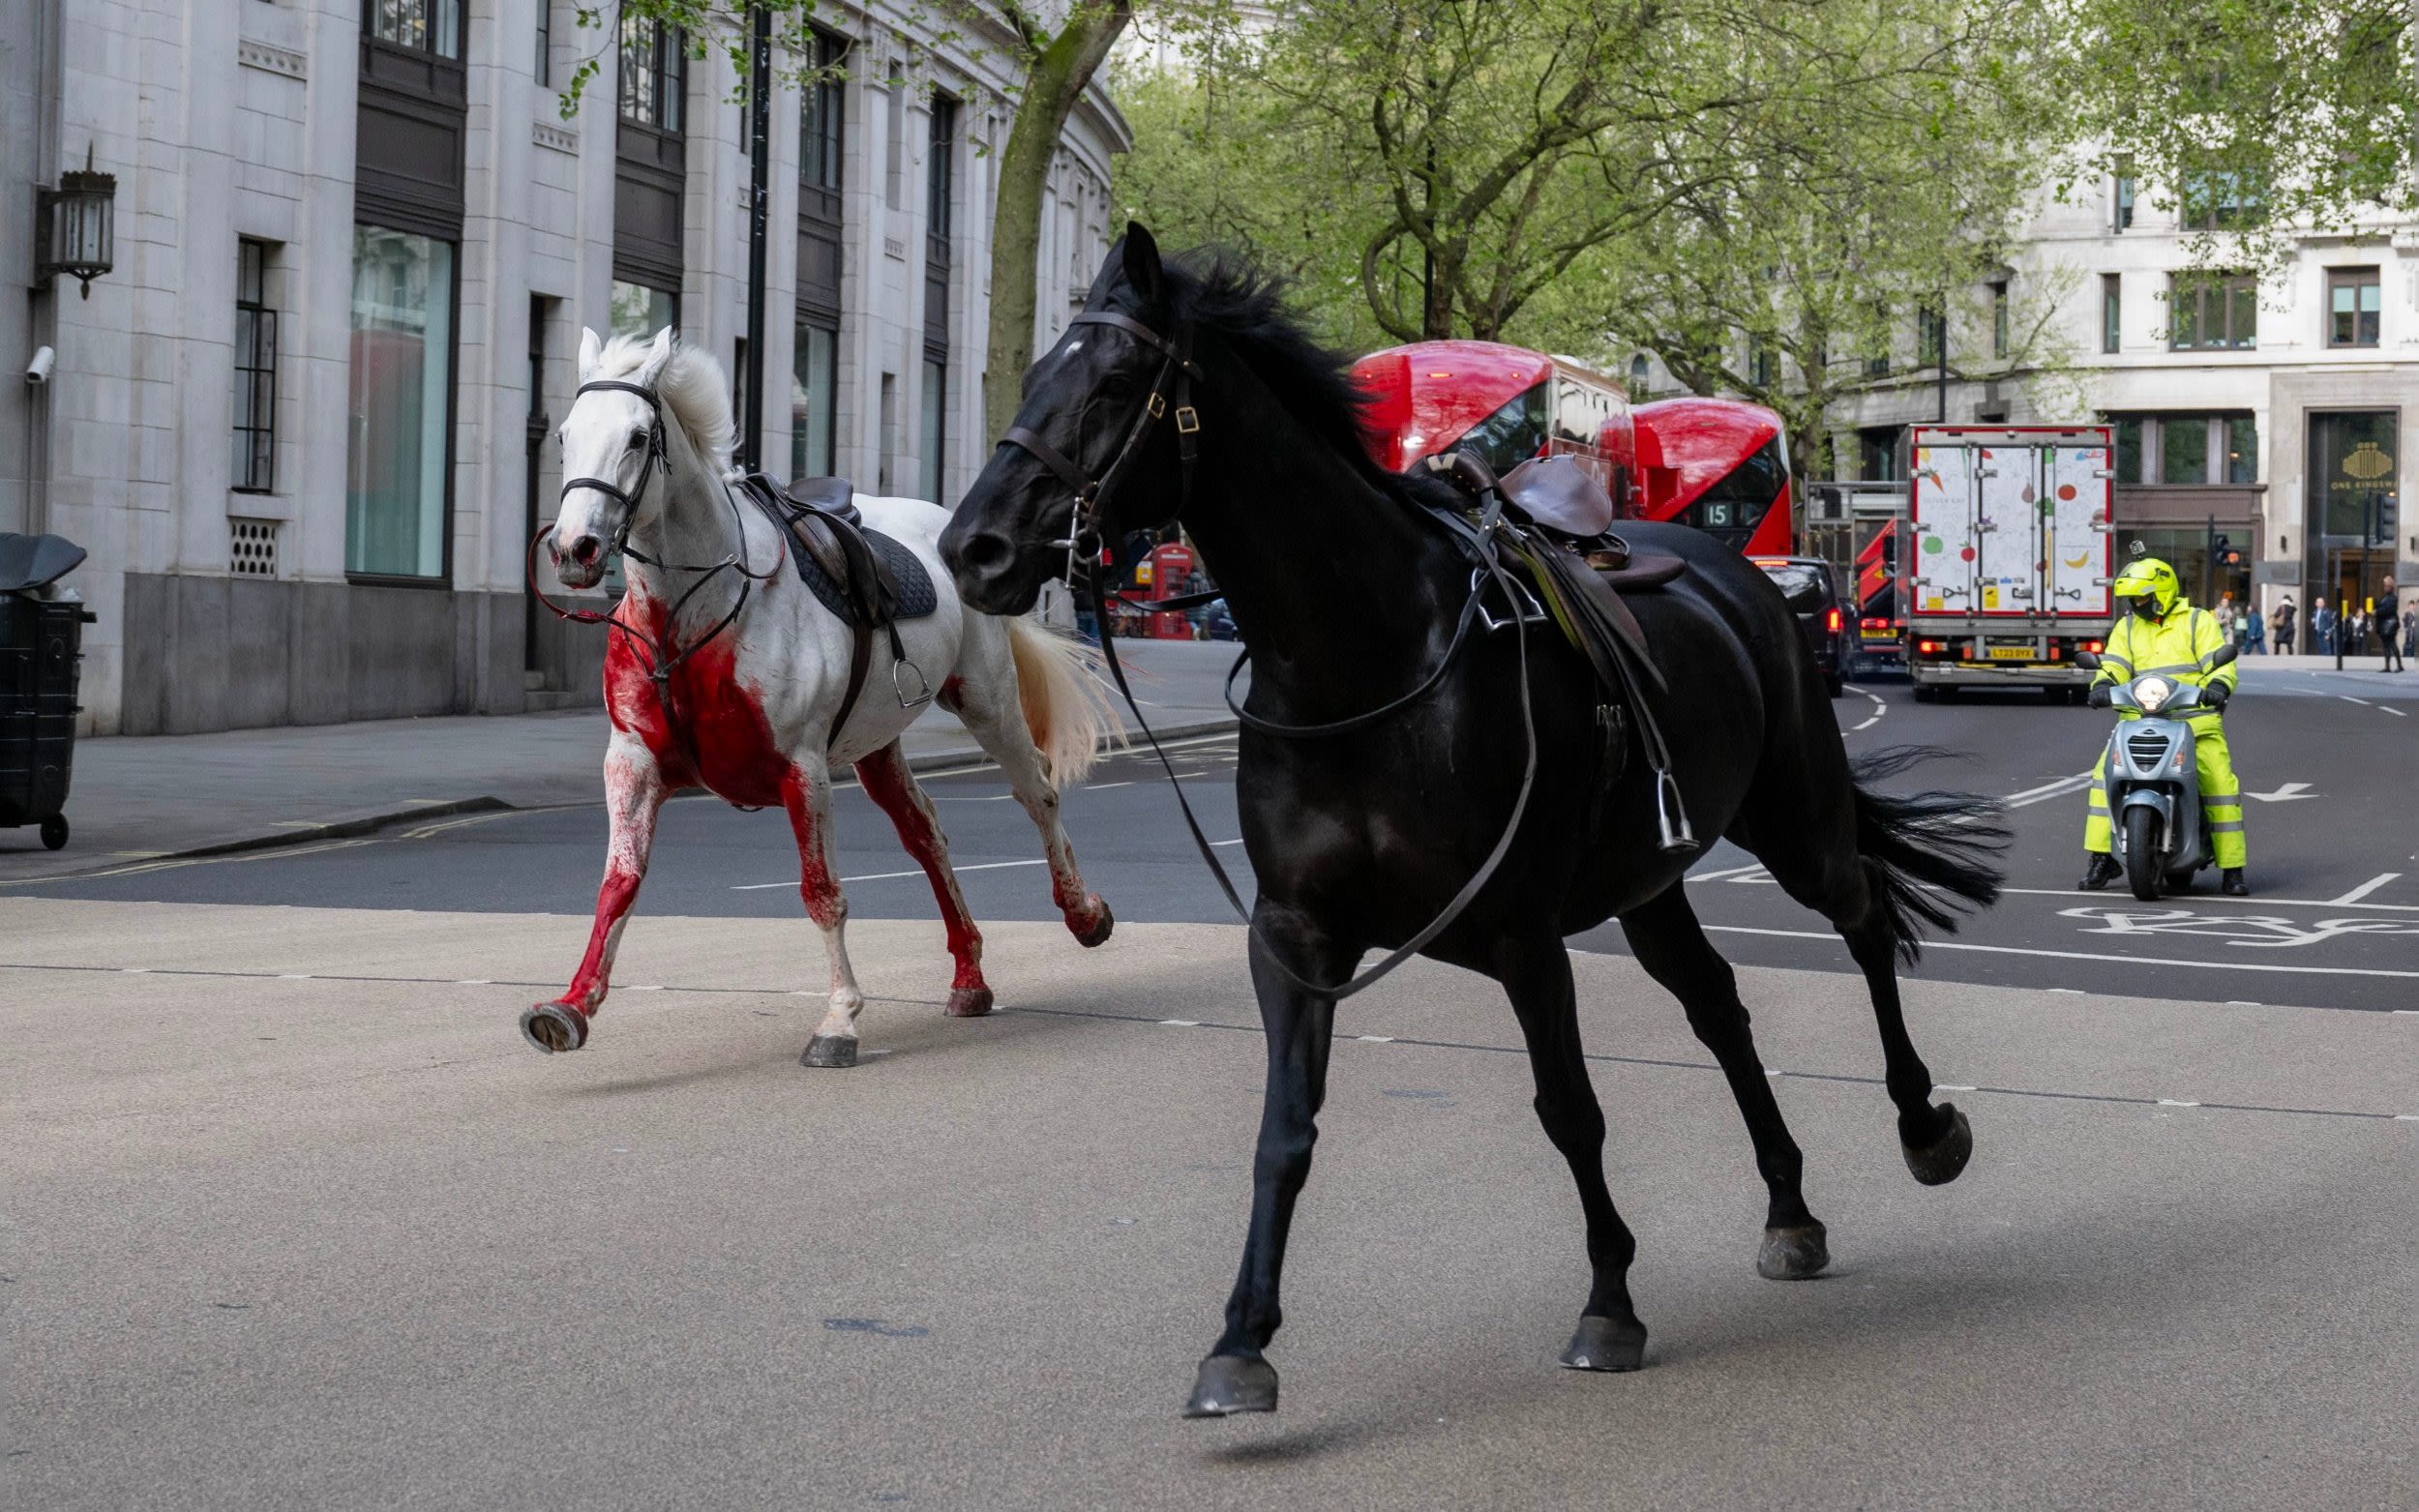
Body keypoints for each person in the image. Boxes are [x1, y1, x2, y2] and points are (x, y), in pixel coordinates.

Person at [2079, 556, 2249, 896]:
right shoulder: (2128, 627)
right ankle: (2102, 858)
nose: (2135, 604)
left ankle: (2232, 867)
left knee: (2218, 782)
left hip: (2194, 721)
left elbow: (2219, 661)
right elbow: (2113, 665)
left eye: (2141, 597)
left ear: (2162, 592)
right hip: (2139, 718)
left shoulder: (2197, 621)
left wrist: (2218, 686)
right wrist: (2101, 685)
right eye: (2132, 599)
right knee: (2102, 779)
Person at [2381, 577, 2404, 672]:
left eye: (2386, 586)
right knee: (2386, 645)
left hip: (2391, 623)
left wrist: (2378, 611)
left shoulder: (2393, 597)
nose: (2384, 588)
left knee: (2392, 643)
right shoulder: (2386, 597)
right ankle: (2387, 666)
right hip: (2386, 623)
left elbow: (2390, 609)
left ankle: (2399, 665)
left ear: (2390, 586)